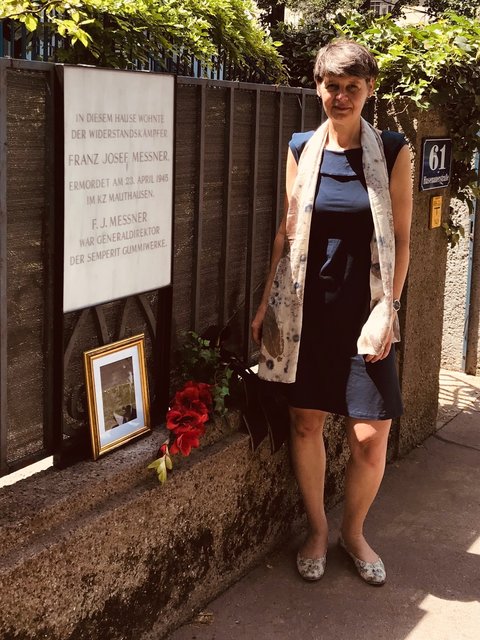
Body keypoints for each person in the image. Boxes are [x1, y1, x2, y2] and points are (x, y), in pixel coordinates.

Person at [251, 39, 412, 586]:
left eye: (352, 87)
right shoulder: (301, 146)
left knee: (371, 433)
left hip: (366, 312)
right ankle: (317, 530)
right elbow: (288, 231)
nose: (340, 96)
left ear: (369, 90)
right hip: (306, 312)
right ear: (319, 87)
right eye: (331, 86)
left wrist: (388, 309)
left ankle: (355, 531)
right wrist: (265, 304)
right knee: (305, 422)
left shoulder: (392, 151)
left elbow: (404, 239)